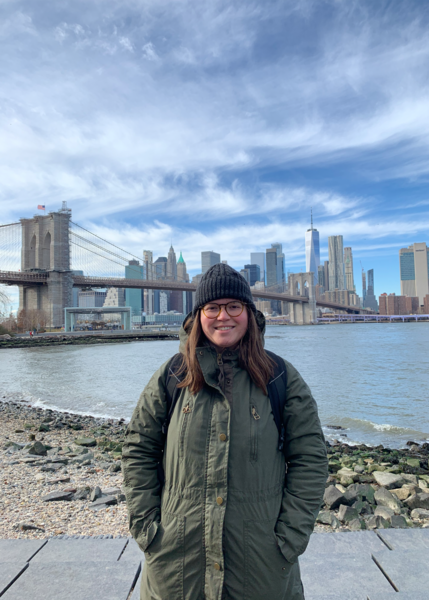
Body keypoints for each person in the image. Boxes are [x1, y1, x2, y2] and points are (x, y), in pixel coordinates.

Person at [122, 264, 328, 600]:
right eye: (212, 307)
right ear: (198, 316)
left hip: (261, 566)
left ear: (249, 313)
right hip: (177, 564)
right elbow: (138, 450)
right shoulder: (172, 376)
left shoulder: (280, 378)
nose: (223, 317)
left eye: (234, 306)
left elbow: (311, 460)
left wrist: (289, 538)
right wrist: (148, 529)